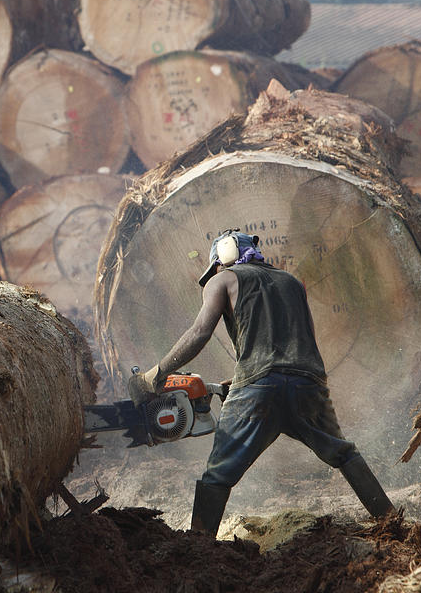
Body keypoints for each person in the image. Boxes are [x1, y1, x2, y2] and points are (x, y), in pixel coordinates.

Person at [130, 228, 395, 536]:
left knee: (217, 474)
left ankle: (198, 545)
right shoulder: (293, 283)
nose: (215, 272)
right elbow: (301, 340)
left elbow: (199, 333)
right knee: (344, 453)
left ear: (224, 258)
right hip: (308, 385)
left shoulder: (223, 279)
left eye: (216, 266)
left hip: (257, 388)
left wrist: (157, 374)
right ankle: (391, 520)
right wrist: (249, 376)